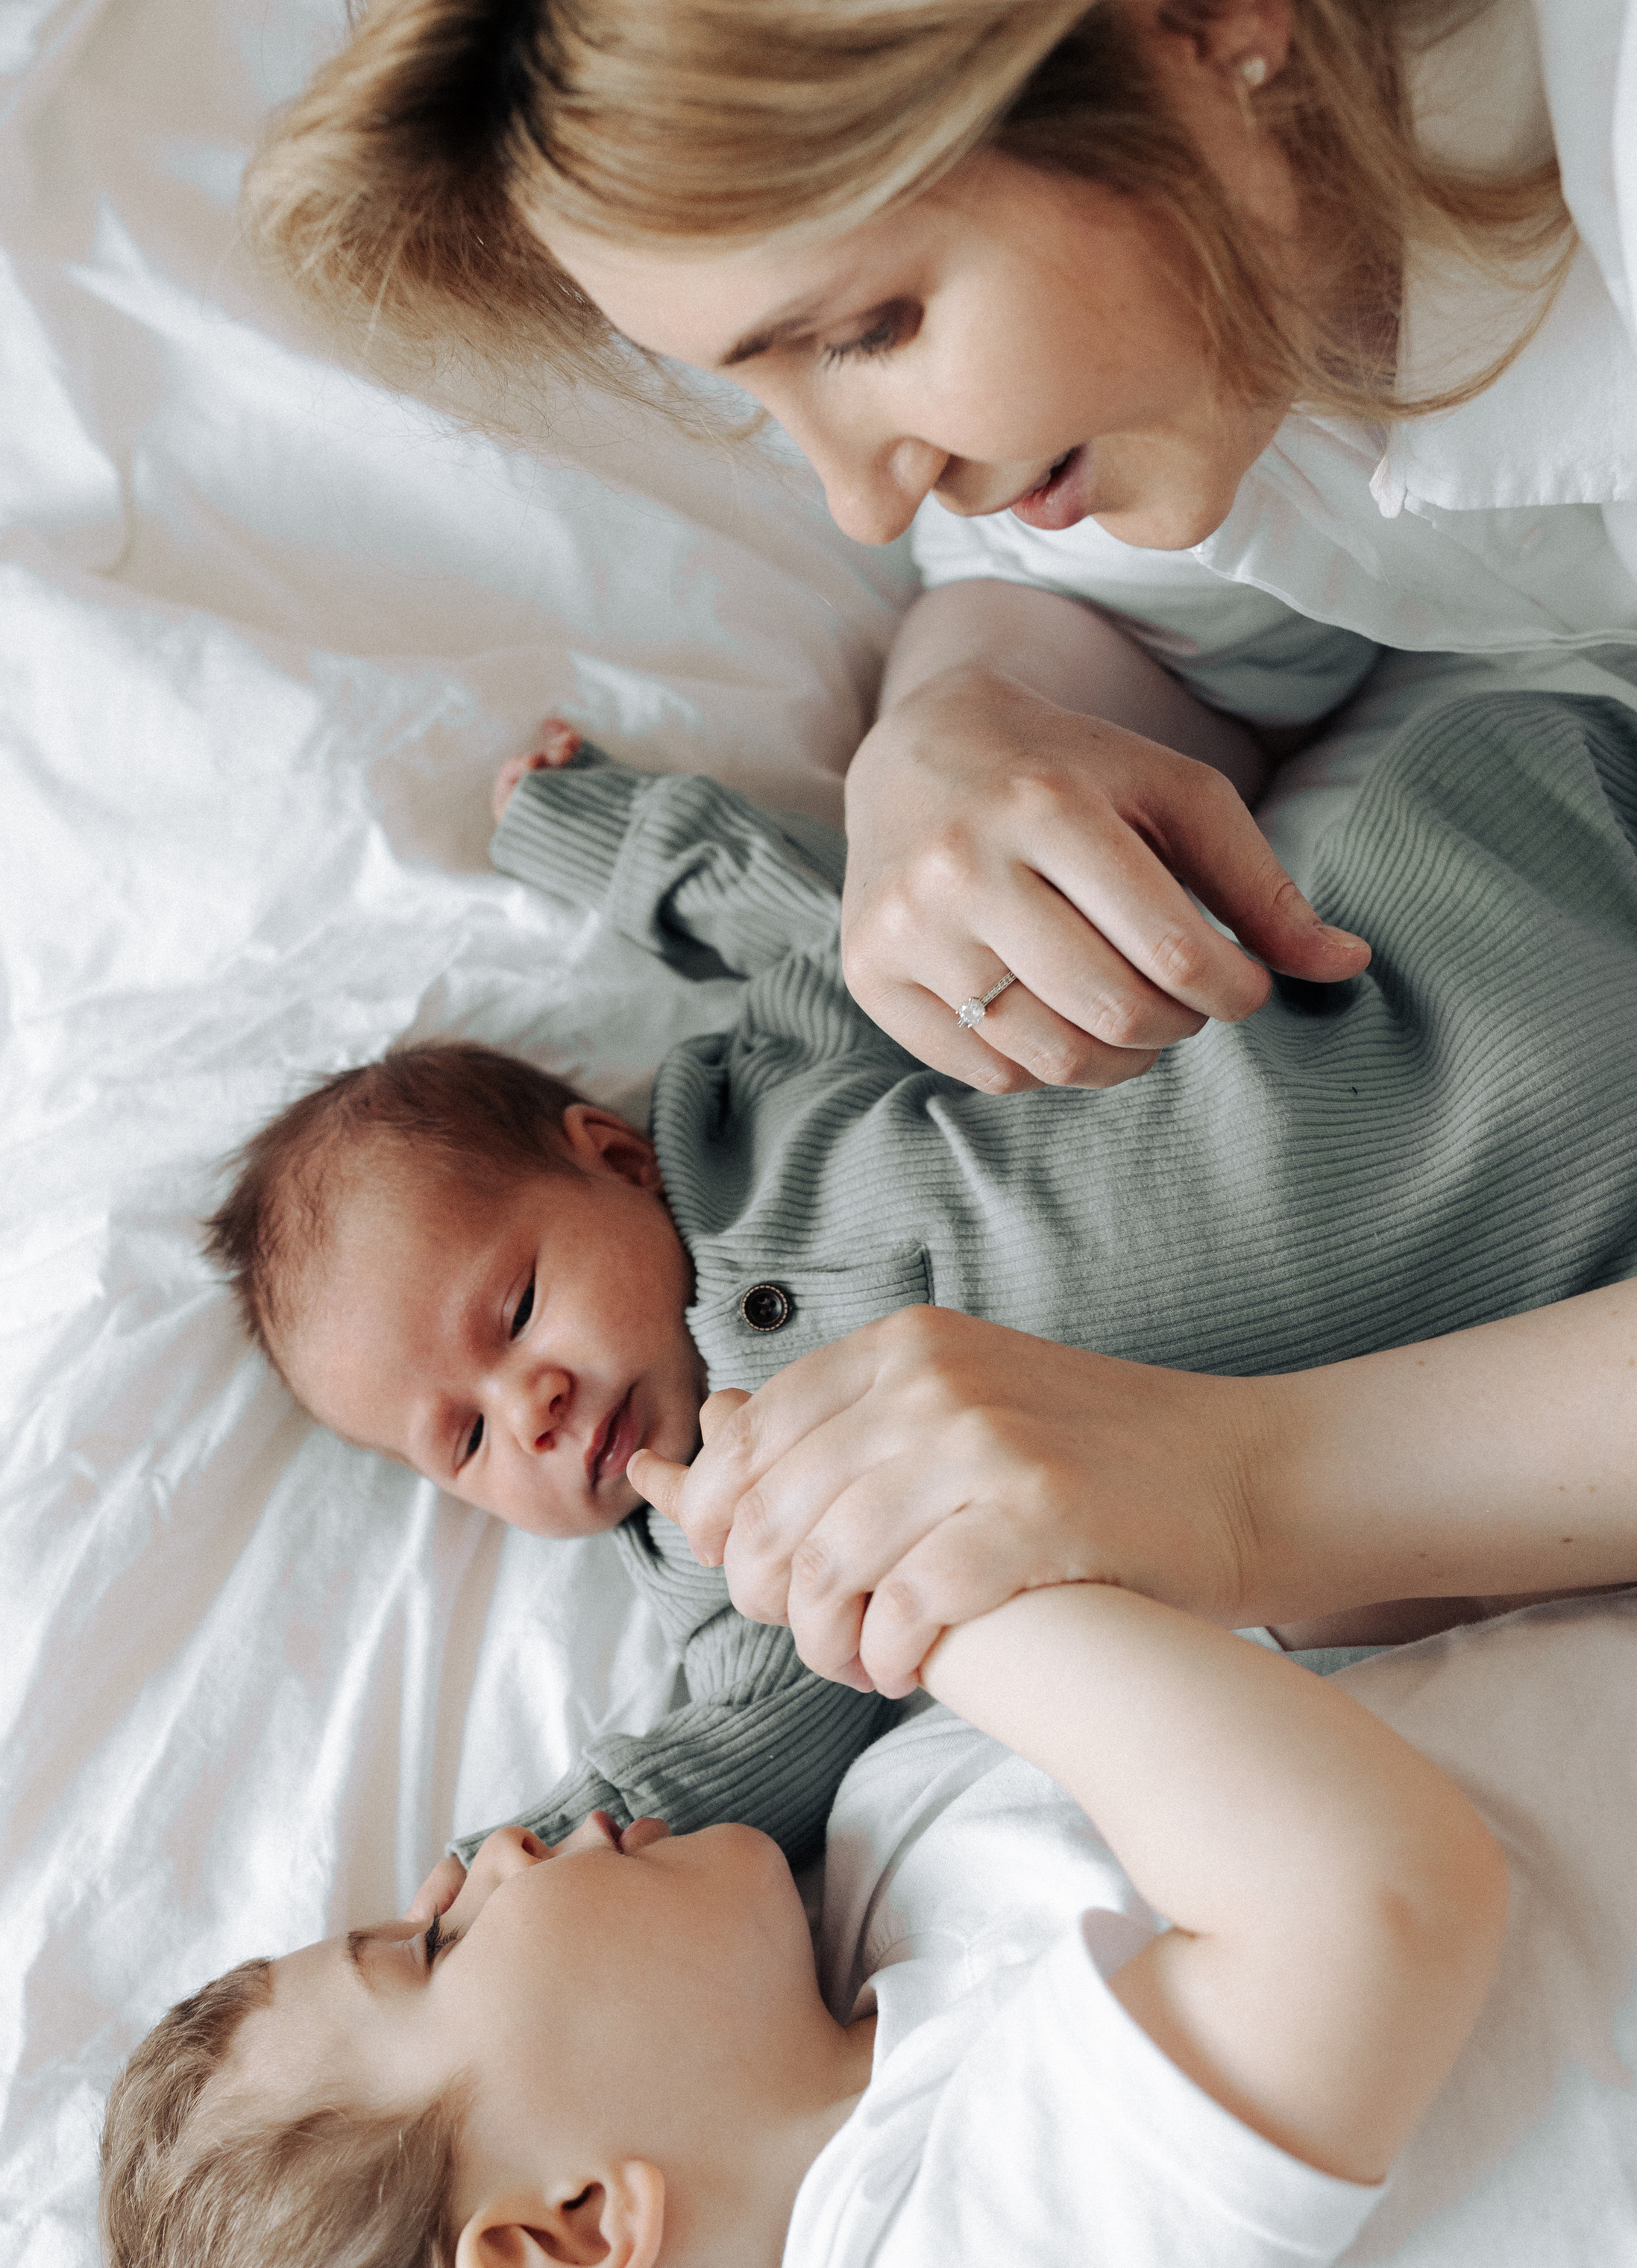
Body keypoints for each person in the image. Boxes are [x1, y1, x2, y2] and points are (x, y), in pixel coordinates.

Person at [98, 1280, 1637, 2268]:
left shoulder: (893, 1834)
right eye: (431, 1949)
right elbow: (1373, 1901)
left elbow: (1325, 1608)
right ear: (571, 2235)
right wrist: (923, 1596)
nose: (495, 1854)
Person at [204, 691, 1637, 1881]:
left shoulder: (760, 1102)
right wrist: (558, 1847)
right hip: (1539, 1319)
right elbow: (757, 1744)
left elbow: (831, 917)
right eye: (458, 1441)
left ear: (610, 1157)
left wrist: (613, 836)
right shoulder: (743, 1553)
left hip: (1394, 1016)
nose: (527, 1410)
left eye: (513, 1316)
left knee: (1510, 826)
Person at [241, 0, 1637, 1091]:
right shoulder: (1225, 313)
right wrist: (950, 733)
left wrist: (1247, 1463)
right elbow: (1119, 617)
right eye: (756, 390)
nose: (866, 503)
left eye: (866, 332)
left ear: (1207, 25)